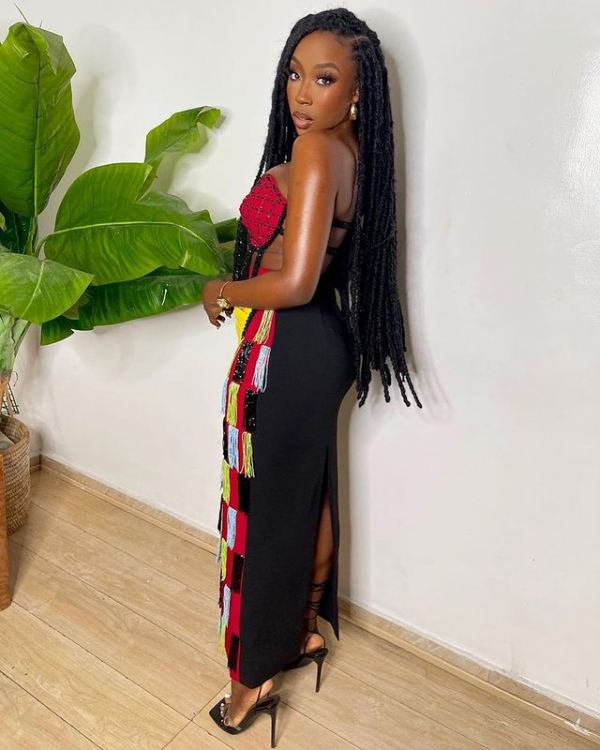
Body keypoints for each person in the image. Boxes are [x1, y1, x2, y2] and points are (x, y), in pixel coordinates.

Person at [202, 7, 422, 745]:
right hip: (320, 343)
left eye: (324, 79)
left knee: (265, 514)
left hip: (288, 344)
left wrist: (220, 290)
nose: (302, 92)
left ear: (356, 91)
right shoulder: (350, 146)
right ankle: (301, 631)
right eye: (296, 73)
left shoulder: (319, 149)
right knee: (306, 496)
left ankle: (250, 680)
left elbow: (294, 282)